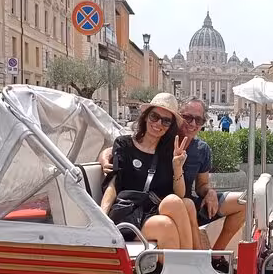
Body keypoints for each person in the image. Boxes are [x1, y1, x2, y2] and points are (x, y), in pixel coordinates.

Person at [99, 97, 246, 251]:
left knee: (238, 202)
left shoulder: (184, 150)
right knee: (176, 207)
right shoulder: (137, 144)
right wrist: (104, 157)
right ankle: (196, 261)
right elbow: (117, 165)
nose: (193, 124)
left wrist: (209, 191)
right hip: (139, 209)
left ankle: (212, 256)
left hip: (168, 206)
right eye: (188, 118)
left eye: (199, 120)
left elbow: (200, 185)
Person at [100, 93, 201, 249]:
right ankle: (188, 265)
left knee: (183, 203)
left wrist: (177, 167)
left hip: (153, 210)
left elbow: (180, 195)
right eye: (154, 116)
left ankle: (191, 261)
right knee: (166, 226)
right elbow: (113, 183)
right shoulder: (124, 144)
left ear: (170, 126)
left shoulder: (169, 153)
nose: (158, 123)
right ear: (146, 117)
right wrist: (101, 217)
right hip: (129, 212)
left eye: (166, 121)